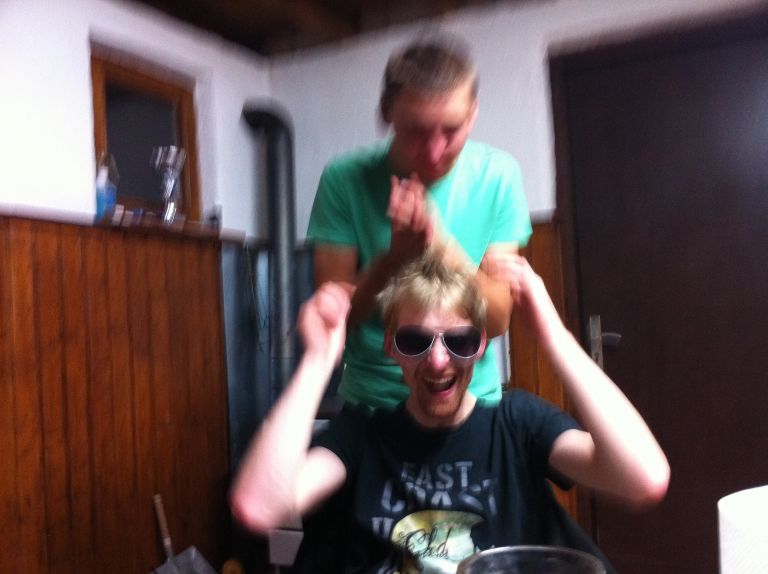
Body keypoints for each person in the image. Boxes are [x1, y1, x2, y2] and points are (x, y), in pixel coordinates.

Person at [230, 251, 670, 573]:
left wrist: (554, 336)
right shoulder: (361, 437)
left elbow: (643, 478)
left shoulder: (517, 425)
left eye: (459, 341)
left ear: (480, 347)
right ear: (391, 347)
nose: (438, 361)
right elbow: (259, 506)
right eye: (415, 341)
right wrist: (316, 361)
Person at [307, 36, 532, 410]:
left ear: (473, 113)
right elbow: (334, 324)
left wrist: (439, 246)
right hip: (372, 405)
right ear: (386, 112)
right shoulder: (344, 179)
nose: (434, 152)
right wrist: (392, 260)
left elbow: (496, 320)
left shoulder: (498, 176)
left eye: (452, 130)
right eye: (416, 131)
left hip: (471, 402)